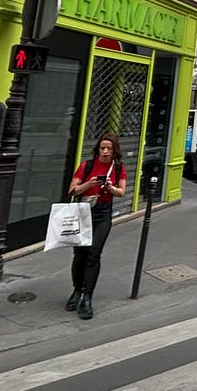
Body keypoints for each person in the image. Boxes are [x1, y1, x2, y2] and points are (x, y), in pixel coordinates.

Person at [65, 134, 127, 320]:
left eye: (109, 148)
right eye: (102, 148)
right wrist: (88, 184)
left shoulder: (118, 168)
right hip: (83, 212)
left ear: (114, 150)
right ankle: (76, 290)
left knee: (94, 253)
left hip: (103, 213)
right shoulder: (87, 166)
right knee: (80, 253)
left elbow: (122, 192)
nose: (106, 152)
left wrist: (110, 188)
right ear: (98, 149)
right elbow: (72, 190)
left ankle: (87, 297)